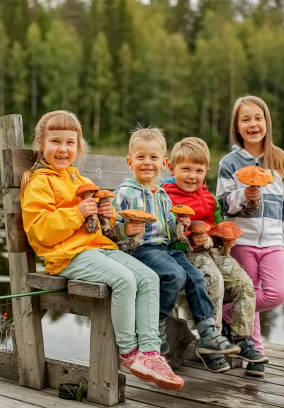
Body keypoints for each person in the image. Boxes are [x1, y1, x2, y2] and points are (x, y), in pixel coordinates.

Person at [20, 110, 183, 391]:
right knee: (124, 280)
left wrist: (108, 214)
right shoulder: (39, 182)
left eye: (70, 143)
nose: (63, 149)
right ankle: (129, 353)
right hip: (66, 256)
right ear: (40, 143)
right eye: (55, 142)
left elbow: (102, 225)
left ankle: (150, 353)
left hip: (96, 248)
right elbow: (40, 231)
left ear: (78, 146)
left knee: (149, 278)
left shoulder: (75, 177)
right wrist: (76, 213)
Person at [112, 127, 240, 372]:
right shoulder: (124, 192)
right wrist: (124, 229)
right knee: (175, 275)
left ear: (163, 163)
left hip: (166, 248)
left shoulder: (162, 195)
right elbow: (110, 229)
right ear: (130, 161)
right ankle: (156, 323)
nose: (147, 163)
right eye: (141, 157)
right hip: (141, 250)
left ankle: (208, 332)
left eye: (153, 158)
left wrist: (180, 226)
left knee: (195, 275)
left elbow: (170, 233)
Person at [161, 137, 263, 373]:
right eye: (185, 169)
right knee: (213, 282)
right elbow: (163, 234)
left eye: (198, 170)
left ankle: (240, 337)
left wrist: (218, 239)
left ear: (206, 170)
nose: (191, 176)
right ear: (172, 167)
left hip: (213, 252)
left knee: (244, 284)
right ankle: (211, 342)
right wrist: (187, 237)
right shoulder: (165, 197)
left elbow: (217, 226)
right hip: (186, 255)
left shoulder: (208, 198)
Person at [216, 96, 284, 377]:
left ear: (266, 123)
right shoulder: (229, 162)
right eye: (246, 119)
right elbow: (222, 203)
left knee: (277, 293)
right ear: (237, 127)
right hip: (243, 241)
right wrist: (242, 195)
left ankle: (228, 312)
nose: (253, 124)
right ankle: (255, 354)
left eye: (258, 118)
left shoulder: (280, 160)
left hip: (273, 241)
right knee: (249, 290)